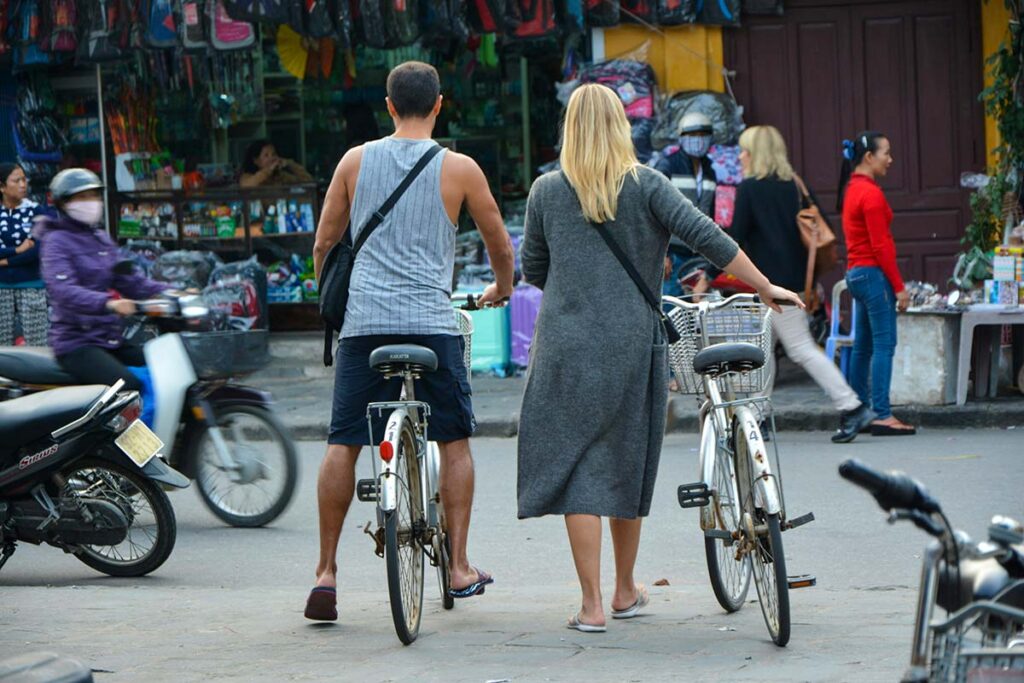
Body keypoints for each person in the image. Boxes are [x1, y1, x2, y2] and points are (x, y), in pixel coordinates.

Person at [517, 84, 802, 633]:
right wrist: (765, 287)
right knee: (625, 461)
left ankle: (592, 606)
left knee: (579, 473)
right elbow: (710, 238)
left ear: (569, 129)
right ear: (622, 128)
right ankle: (626, 591)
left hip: (566, 348)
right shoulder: (649, 185)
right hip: (632, 343)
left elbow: (534, 270)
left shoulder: (546, 192)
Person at [306, 61, 515, 621]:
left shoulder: (355, 161)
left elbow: (325, 243)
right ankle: (459, 566)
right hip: (432, 324)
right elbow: (499, 240)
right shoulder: (460, 168)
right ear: (440, 105)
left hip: (363, 327)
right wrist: (502, 287)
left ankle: (326, 573)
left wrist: (335, 293)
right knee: (453, 439)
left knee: (343, 440)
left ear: (389, 105)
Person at [731, 126, 874, 443]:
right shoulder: (795, 185)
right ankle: (758, 417)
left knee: (800, 349)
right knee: (761, 351)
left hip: (768, 285)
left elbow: (735, 237)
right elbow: (818, 228)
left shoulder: (750, 189)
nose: (740, 156)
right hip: (795, 282)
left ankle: (851, 405)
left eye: (744, 150)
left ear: (756, 153)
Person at [38, 169, 168, 392]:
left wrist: (172, 291)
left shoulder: (100, 238)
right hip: (76, 342)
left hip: (108, 337)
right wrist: (109, 303)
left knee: (163, 366)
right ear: (63, 203)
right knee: (128, 387)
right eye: (82, 197)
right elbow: (63, 290)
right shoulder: (55, 241)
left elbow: (129, 281)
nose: (91, 202)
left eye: (94, 196)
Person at [837, 131, 915, 436]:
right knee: (884, 345)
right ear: (869, 157)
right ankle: (882, 414)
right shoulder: (870, 194)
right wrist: (899, 286)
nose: (890, 159)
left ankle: (860, 410)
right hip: (872, 275)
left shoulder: (852, 189)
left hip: (856, 275)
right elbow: (881, 246)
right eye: (886, 153)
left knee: (864, 347)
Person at [651, 112, 718, 296]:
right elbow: (654, 211)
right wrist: (661, 253)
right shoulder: (668, 166)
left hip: (699, 256)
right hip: (673, 255)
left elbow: (710, 215)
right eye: (692, 135)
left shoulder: (710, 171)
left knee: (696, 313)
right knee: (672, 309)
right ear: (682, 138)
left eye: (702, 135)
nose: (698, 140)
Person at [0, 163, 47, 346]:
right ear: (2, 187)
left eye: (24, 179)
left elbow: (38, 250)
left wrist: (4, 262)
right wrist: (17, 250)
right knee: (1, 349)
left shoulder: (37, 211)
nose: (23, 184)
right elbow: (26, 250)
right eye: (16, 180)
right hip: (1, 287)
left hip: (32, 285)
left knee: (38, 346)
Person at [239, 140, 314, 188]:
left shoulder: (282, 176)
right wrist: (268, 170)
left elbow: (308, 182)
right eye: (266, 155)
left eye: (274, 154)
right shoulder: (247, 176)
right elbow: (247, 185)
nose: (272, 158)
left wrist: (290, 164)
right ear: (256, 160)